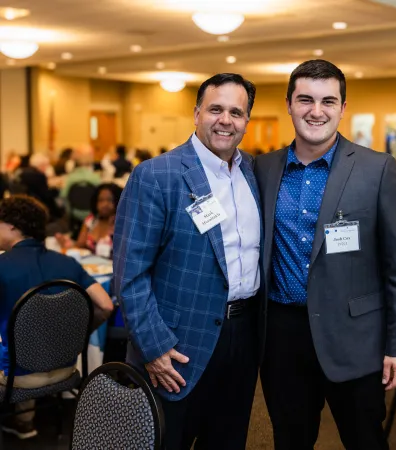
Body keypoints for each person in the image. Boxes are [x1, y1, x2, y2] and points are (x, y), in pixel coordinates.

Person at [254, 59, 396, 450]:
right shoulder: (262, 168)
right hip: (282, 336)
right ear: (289, 105)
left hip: (355, 335)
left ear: (343, 108)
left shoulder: (376, 169)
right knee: (290, 440)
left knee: (365, 440)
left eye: (328, 100)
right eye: (305, 99)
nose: (316, 110)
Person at [114, 73, 261, 450]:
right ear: (196, 114)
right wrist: (154, 346)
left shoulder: (252, 174)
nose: (225, 120)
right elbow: (130, 274)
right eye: (215, 109)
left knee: (228, 440)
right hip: (176, 345)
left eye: (235, 112)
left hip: (242, 338)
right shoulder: (156, 175)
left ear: (247, 121)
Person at [0, 195, 113, 439]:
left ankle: (23, 421)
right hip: (66, 369)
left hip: (15, 378)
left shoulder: (3, 265)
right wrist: (75, 336)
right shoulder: (67, 263)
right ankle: (24, 421)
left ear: (11, 225)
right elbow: (105, 305)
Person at [56, 183, 122, 258]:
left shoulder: (123, 223)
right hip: (92, 265)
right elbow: (80, 245)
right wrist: (65, 244)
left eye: (110, 200)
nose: (105, 204)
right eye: (100, 200)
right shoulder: (92, 220)